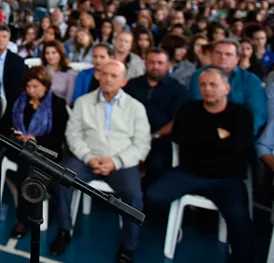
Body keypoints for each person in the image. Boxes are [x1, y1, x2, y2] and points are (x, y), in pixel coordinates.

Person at [146, 68, 254, 263]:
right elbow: (180, 137)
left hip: (226, 179)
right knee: (153, 196)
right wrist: (216, 135)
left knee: (240, 221)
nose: (207, 89)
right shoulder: (189, 110)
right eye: (203, 85)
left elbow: (239, 146)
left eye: (213, 84)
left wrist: (200, 137)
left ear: (226, 88)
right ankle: (175, 227)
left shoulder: (241, 115)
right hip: (189, 173)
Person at [50, 60, 150, 263]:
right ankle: (64, 230)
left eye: (114, 76)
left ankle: (127, 247)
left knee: (134, 196)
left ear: (124, 81)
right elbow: (73, 134)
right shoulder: (83, 102)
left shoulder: (136, 108)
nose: (108, 79)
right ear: (98, 76)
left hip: (120, 162)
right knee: (62, 180)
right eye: (104, 74)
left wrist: (116, 162)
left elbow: (142, 144)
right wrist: (89, 157)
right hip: (87, 158)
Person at [8, 66, 68, 239]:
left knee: (30, 168)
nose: (31, 91)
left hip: (46, 149)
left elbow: (58, 136)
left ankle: (24, 219)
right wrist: (15, 133)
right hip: (20, 147)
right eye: (28, 87)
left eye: (36, 87)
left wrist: (36, 140)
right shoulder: (19, 101)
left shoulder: (57, 104)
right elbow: (5, 123)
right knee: (26, 164)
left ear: (46, 86)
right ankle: (24, 218)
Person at [124, 48, 189, 188]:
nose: (155, 67)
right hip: (128, 135)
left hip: (159, 139)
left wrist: (154, 136)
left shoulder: (177, 89)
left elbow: (178, 120)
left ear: (168, 65)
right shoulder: (133, 85)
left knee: (156, 165)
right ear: (145, 63)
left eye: (160, 63)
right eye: (151, 62)